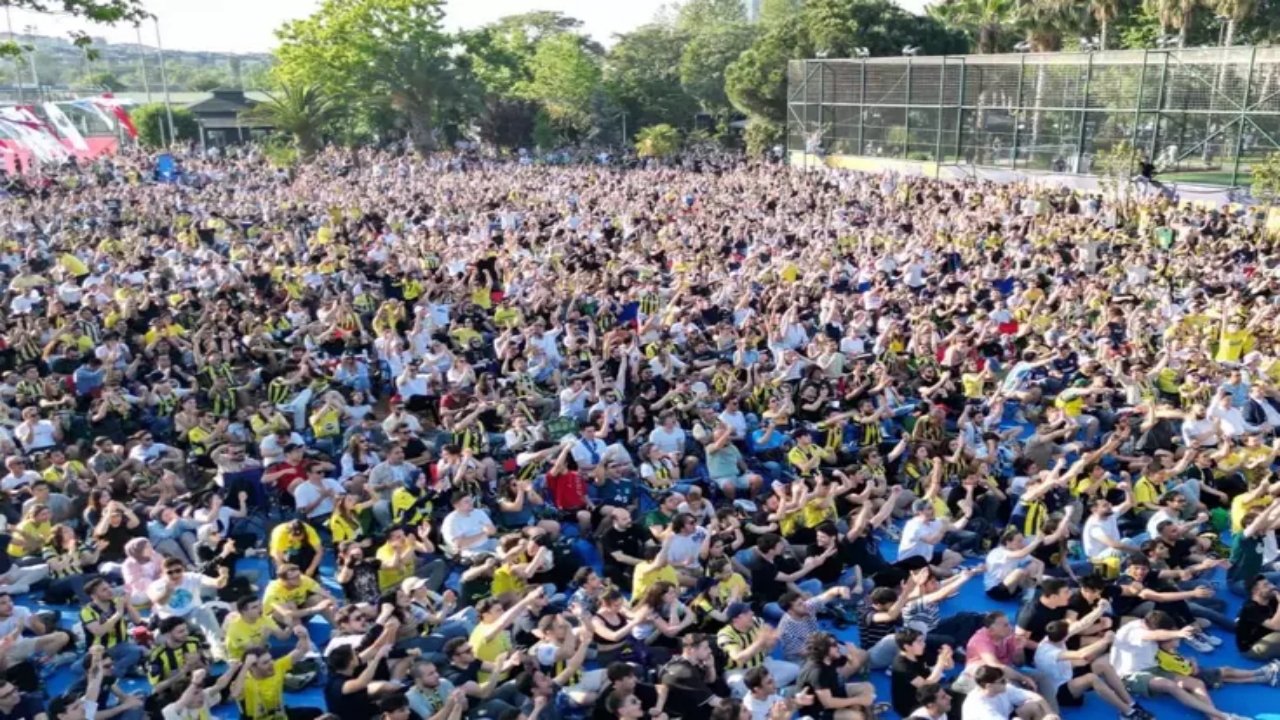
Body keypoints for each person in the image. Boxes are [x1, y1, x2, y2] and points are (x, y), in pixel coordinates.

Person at [1109, 611, 1249, 720]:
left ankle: (1214, 717)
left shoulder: (1146, 623)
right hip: (1131, 676)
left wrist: (1188, 660)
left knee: (1197, 684)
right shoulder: (1136, 632)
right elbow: (1155, 635)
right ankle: (1224, 716)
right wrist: (1178, 633)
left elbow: (1169, 649)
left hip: (1154, 668)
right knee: (1170, 685)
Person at [232, 629, 323, 720]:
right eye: (265, 663)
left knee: (317, 712)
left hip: (279, 715)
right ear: (252, 667)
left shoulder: (277, 666)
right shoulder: (243, 681)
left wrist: (304, 636)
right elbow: (235, 694)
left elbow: (301, 650)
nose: (271, 664)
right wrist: (246, 665)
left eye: (271, 659)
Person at [716, 603, 800, 697]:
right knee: (742, 688)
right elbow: (739, 658)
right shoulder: (725, 635)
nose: (752, 613)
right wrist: (760, 641)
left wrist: (772, 640)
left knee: (795, 670)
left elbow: (770, 649)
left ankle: (764, 691)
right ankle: (774, 691)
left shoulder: (757, 621)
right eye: (746, 612)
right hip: (739, 670)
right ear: (736, 619)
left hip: (762, 664)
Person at [960, 665, 1058, 720]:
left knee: (1034, 706)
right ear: (988, 686)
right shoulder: (980, 707)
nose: (1006, 682)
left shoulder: (1003, 688)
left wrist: (1049, 713)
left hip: (1005, 716)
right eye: (1002, 681)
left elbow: (1034, 696)